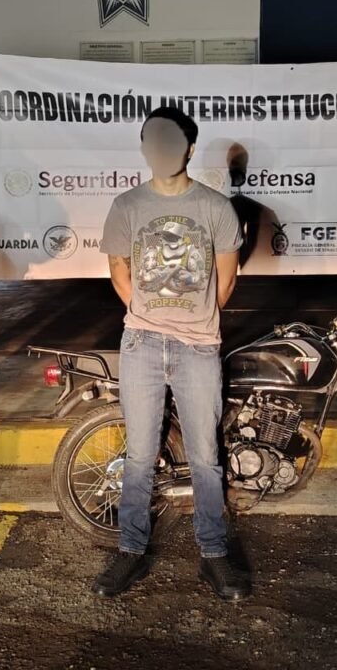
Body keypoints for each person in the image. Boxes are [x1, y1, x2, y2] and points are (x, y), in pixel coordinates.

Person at [94, 106, 250, 601]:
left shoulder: (215, 207)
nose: (161, 151)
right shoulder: (126, 205)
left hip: (199, 346)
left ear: (189, 147)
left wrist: (193, 321)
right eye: (152, 141)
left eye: (171, 141)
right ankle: (130, 551)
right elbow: (119, 271)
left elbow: (226, 282)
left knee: (206, 457)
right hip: (140, 343)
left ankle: (214, 555)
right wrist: (150, 316)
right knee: (140, 456)